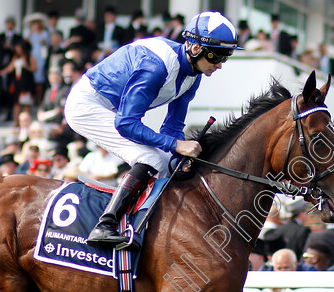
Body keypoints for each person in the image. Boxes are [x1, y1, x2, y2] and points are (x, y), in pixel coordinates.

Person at [64, 11, 242, 248]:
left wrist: (178, 153)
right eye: (216, 56)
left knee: (169, 161)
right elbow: (126, 123)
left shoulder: (194, 75)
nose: (219, 65)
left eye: (225, 58)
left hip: (114, 110)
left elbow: (173, 125)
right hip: (88, 105)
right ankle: (105, 225)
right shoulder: (156, 66)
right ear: (196, 48)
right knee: (149, 157)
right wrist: (176, 145)